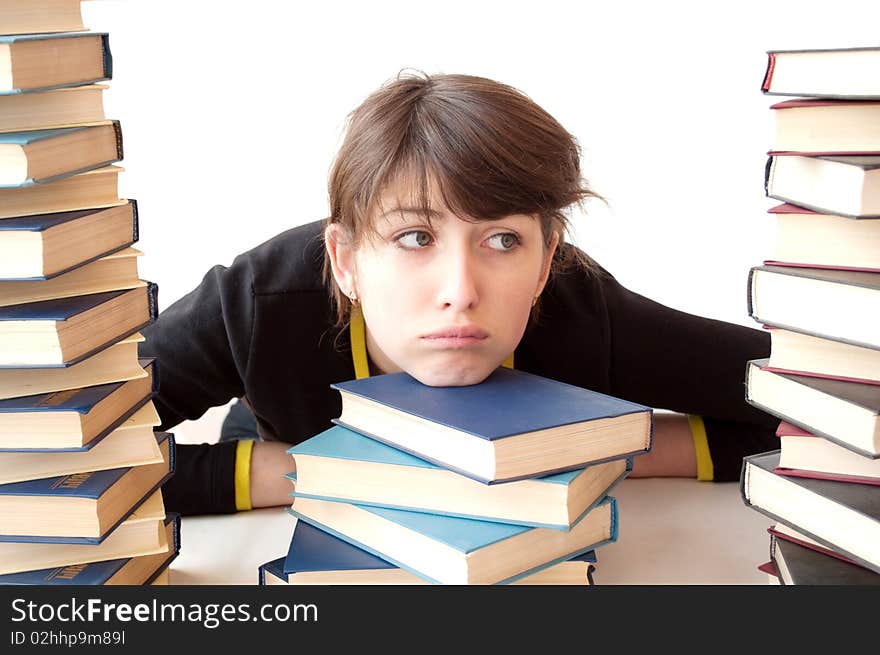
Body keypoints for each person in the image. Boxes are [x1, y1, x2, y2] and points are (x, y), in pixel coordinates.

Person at [141, 72, 778, 517]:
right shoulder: (256, 302)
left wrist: (579, 451)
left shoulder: (581, 309)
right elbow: (54, 459)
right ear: (345, 259)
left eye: (503, 240)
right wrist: (313, 474)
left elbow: (820, 412)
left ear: (547, 258)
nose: (461, 291)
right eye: (415, 237)